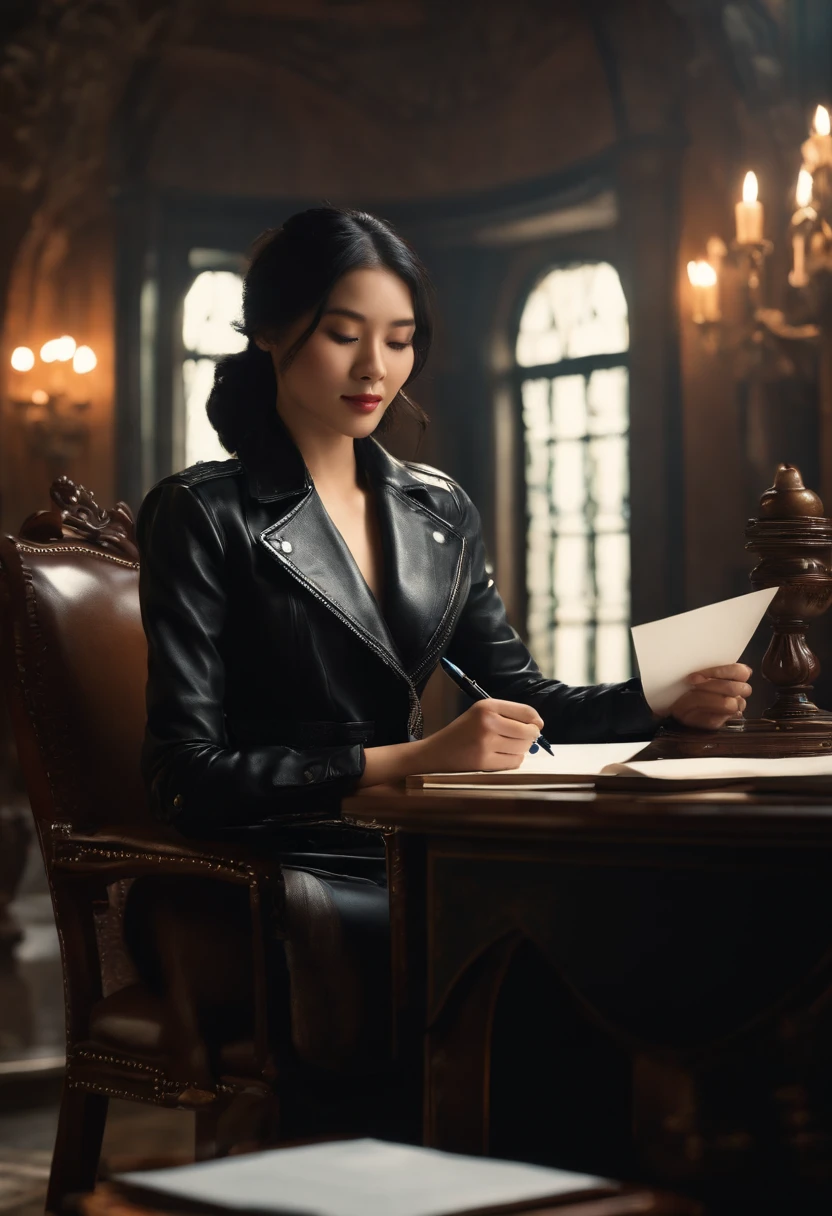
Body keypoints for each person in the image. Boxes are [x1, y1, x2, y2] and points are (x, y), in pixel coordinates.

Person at [131, 206, 752, 1100]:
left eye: (399, 338)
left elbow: (530, 698)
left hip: (417, 854)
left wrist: (663, 697)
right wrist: (416, 761)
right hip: (269, 877)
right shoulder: (200, 513)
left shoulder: (438, 510)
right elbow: (186, 775)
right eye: (343, 334)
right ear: (270, 331)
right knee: (521, 969)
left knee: (631, 932)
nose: (373, 368)